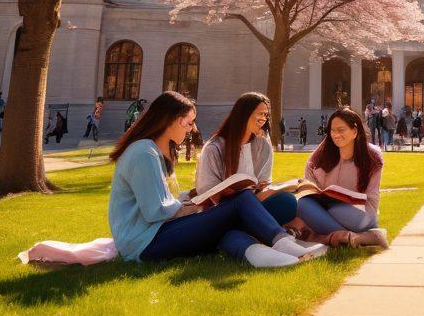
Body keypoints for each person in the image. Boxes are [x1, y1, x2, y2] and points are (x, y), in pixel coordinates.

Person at [108, 91, 308, 268]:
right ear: (174, 120)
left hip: (154, 235)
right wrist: (195, 206)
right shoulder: (144, 153)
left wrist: (188, 199)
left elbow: (160, 201)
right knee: (241, 201)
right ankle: (281, 241)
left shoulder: (151, 151)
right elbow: (155, 211)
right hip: (145, 242)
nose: (191, 129)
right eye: (189, 122)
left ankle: (255, 253)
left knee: (226, 226)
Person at [194, 92, 322, 260]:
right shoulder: (214, 147)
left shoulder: (263, 146)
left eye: (266, 115)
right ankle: (273, 244)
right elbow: (206, 191)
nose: (264, 118)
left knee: (286, 201)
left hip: (255, 203)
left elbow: (263, 184)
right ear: (244, 114)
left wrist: (273, 189)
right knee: (233, 225)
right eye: (260, 114)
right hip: (221, 211)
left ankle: (258, 243)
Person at [293, 109, 387, 248]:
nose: (336, 135)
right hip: (325, 209)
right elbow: (309, 189)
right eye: (332, 130)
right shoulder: (320, 156)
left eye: (341, 130)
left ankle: (339, 238)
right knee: (301, 204)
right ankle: (359, 238)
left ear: (355, 131)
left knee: (334, 210)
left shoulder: (372, 157)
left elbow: (372, 195)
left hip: (361, 212)